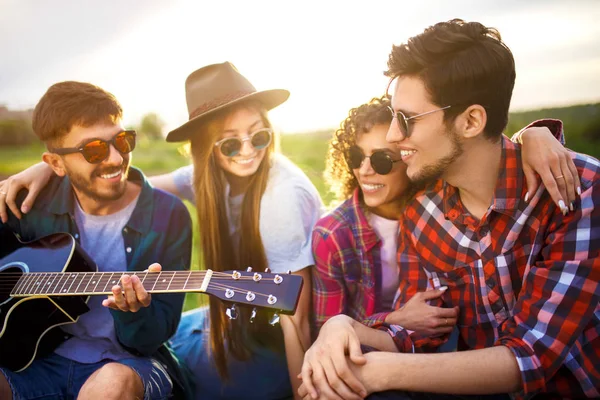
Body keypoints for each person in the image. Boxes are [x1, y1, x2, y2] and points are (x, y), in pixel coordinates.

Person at [299, 19, 599, 400]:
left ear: (472, 120)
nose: (393, 135)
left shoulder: (577, 191)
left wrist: (383, 372)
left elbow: (531, 357)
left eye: (406, 119)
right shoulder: (422, 213)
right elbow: (419, 332)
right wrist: (341, 327)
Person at [0, 62, 322, 400]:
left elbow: (295, 317)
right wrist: (49, 171)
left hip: (270, 327)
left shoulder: (279, 198)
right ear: (207, 148)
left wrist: (304, 393)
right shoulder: (208, 177)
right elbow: (126, 184)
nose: (248, 151)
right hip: (42, 357)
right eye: (92, 150)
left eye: (259, 136)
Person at [312, 96, 577, 337]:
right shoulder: (332, 235)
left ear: (410, 156)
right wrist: (394, 318)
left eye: (382, 160)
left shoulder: (438, 205)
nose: (365, 170)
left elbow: (480, 155)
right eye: (356, 157)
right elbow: (327, 326)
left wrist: (533, 135)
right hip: (386, 343)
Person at [0, 81, 192, 400]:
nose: (116, 158)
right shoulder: (31, 204)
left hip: (132, 363)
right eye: (94, 150)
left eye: (121, 140)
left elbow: (152, 338)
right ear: (56, 164)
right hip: (38, 360)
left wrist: (133, 312)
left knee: (112, 385)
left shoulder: (167, 215)